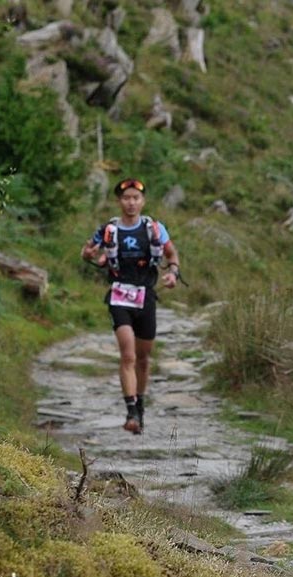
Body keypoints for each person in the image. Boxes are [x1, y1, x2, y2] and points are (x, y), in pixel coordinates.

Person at [81, 178, 180, 435]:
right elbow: (87, 250)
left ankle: (141, 404)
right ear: (119, 201)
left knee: (144, 359)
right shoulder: (109, 230)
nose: (131, 202)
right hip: (118, 296)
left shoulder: (154, 228)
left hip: (145, 296)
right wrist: (89, 255)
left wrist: (173, 273)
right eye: (127, 198)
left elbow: (171, 254)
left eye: (136, 198)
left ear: (142, 201)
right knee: (128, 355)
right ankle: (131, 411)